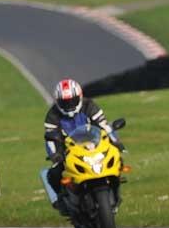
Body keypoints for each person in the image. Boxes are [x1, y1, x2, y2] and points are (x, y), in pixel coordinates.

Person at [43, 79, 123, 208]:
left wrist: (117, 143)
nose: (69, 105)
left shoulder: (89, 106)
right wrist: (56, 156)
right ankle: (61, 200)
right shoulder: (52, 115)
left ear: (79, 97)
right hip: (68, 149)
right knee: (54, 173)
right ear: (58, 102)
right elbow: (51, 138)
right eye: (65, 102)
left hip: (93, 143)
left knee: (117, 157)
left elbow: (103, 125)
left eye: (72, 101)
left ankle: (115, 184)